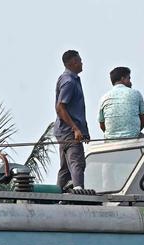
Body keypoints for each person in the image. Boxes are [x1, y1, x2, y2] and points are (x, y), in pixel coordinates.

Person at [54, 50, 89, 192]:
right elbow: (60, 108)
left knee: (65, 168)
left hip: (65, 131)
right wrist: (75, 129)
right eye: (80, 60)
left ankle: (57, 196)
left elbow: (76, 109)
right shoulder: (69, 81)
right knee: (77, 162)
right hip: (69, 131)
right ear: (73, 62)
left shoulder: (71, 79)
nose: (82, 63)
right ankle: (78, 192)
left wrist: (84, 131)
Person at [97, 66, 144, 140]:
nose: (131, 82)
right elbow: (143, 119)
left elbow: (102, 124)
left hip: (111, 140)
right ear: (122, 79)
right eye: (129, 78)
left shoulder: (103, 98)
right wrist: (132, 133)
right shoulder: (136, 93)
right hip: (133, 138)